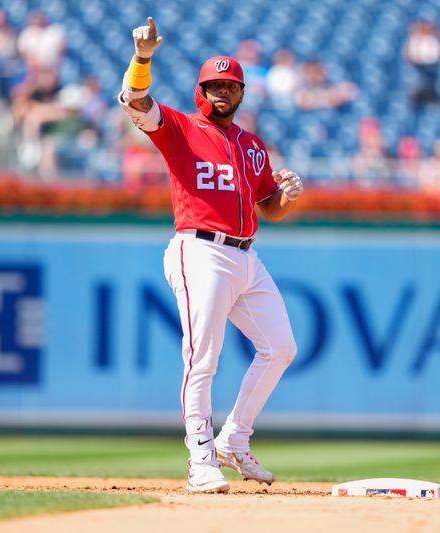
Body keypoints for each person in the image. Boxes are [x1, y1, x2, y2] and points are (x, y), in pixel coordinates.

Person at [118, 17, 303, 494]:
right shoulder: (179, 127)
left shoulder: (252, 146)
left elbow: (269, 207)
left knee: (281, 347)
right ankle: (200, 459)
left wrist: (287, 196)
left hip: (246, 256)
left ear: (241, 93)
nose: (223, 92)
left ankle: (234, 439)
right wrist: (142, 59)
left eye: (231, 85)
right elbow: (136, 103)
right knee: (203, 358)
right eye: (215, 85)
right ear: (201, 90)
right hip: (199, 250)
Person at [403, 20, 440, 108]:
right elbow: (407, 55)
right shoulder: (415, 40)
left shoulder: (433, 40)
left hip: (431, 67)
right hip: (417, 67)